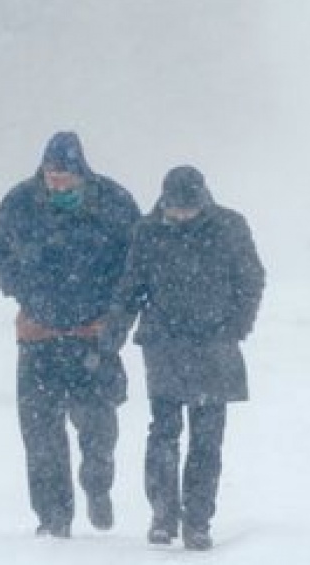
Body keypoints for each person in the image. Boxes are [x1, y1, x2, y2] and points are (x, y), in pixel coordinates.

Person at [0, 131, 141, 539]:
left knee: (98, 426)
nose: (58, 182)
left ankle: (97, 483)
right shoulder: (20, 202)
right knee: (41, 434)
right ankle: (53, 516)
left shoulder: (113, 203)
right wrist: (21, 287)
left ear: (81, 171)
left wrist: (114, 310)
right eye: (52, 174)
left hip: (93, 336)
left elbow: (137, 260)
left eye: (65, 174)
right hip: (40, 336)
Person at [101, 165, 265, 551]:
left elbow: (251, 279)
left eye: (187, 209)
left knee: (207, 440)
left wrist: (237, 326)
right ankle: (162, 513)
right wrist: (115, 330)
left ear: (202, 200)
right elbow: (131, 287)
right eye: (174, 209)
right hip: (165, 345)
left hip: (215, 346)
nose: (180, 216)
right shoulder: (148, 231)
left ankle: (198, 521)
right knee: (163, 433)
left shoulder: (229, 227)